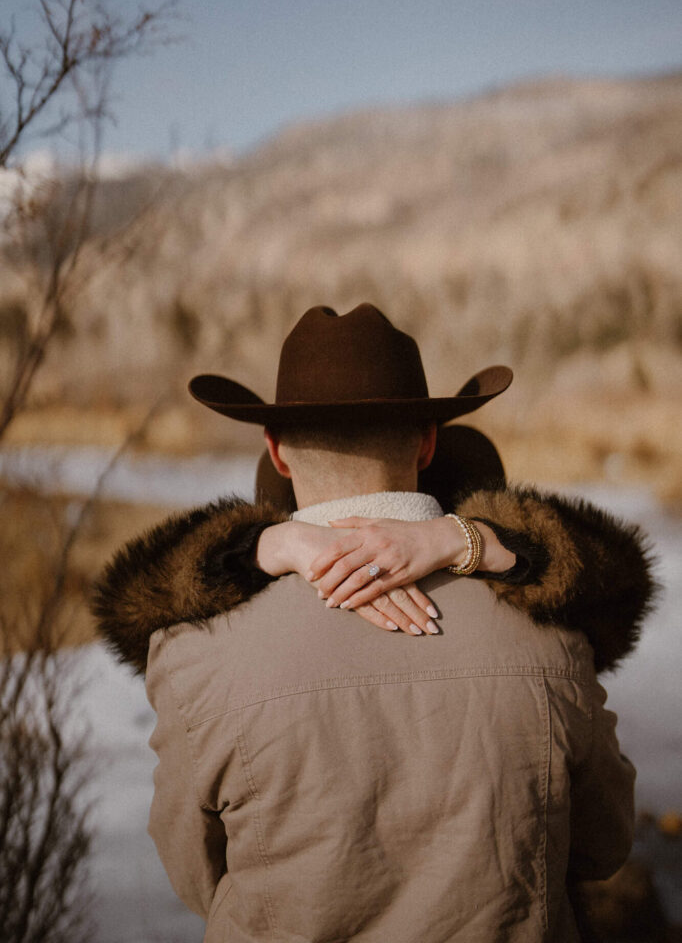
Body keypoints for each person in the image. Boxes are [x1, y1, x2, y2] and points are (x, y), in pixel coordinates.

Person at [93, 304, 653, 942]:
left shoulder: (193, 648)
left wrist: (255, 548)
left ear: (275, 452)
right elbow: (604, 842)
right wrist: (476, 542)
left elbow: (195, 878)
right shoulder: (552, 625)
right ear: (428, 440)